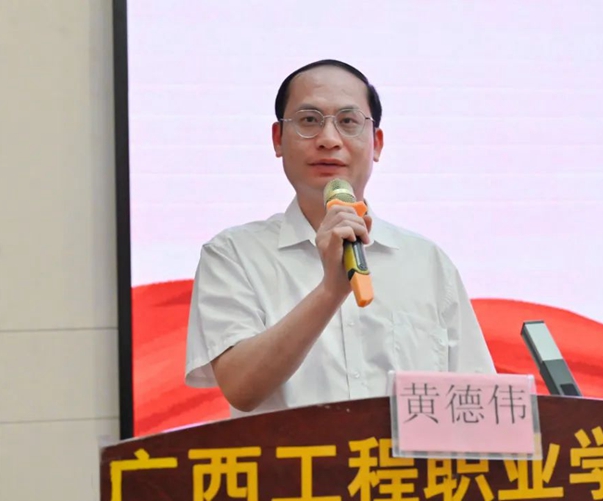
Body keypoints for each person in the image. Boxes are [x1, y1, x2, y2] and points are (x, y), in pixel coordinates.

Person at [185, 59, 495, 418]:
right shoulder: (233, 255)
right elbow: (241, 388)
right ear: (278, 139)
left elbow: (482, 406)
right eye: (309, 121)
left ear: (376, 143)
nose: (329, 140)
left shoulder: (426, 262)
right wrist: (330, 292)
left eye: (348, 122)